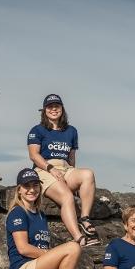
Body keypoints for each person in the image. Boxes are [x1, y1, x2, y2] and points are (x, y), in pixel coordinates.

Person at [27, 94, 100, 247]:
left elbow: (72, 157)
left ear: (62, 109)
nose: (54, 109)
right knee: (67, 196)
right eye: (50, 106)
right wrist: (51, 169)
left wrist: (74, 176)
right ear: (44, 110)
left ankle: (85, 219)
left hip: (66, 168)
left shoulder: (71, 131)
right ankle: (78, 238)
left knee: (88, 174)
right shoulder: (37, 130)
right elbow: (34, 155)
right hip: (44, 169)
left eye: (57, 106)